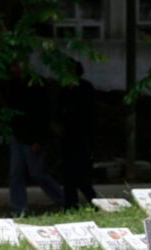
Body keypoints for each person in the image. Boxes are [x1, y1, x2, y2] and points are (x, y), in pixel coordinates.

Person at [7, 63, 64, 216]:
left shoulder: (36, 87)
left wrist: (39, 139)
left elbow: (42, 115)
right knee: (16, 174)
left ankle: (62, 199)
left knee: (37, 173)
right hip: (18, 135)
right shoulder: (13, 85)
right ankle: (19, 209)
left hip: (32, 137)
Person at [58, 59, 98, 209]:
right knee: (68, 176)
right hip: (68, 138)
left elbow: (91, 116)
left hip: (83, 138)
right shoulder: (63, 90)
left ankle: (95, 202)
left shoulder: (85, 89)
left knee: (81, 176)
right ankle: (70, 205)